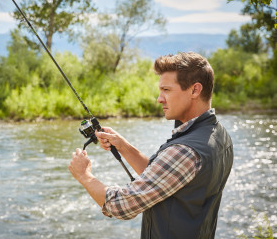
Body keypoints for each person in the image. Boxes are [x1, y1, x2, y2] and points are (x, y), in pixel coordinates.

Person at [68, 52, 233, 239]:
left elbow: (120, 206)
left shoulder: (185, 151)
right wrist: (123, 146)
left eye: (167, 90)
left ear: (195, 90)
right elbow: (164, 178)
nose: (159, 98)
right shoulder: (220, 135)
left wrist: (84, 175)